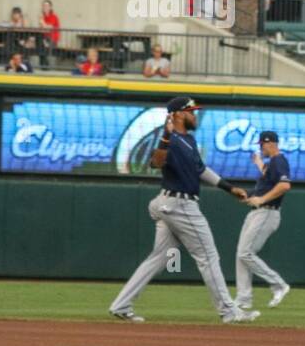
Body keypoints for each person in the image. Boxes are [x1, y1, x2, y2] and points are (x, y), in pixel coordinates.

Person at [109, 96, 259, 324]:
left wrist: (229, 188)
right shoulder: (171, 139)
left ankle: (121, 305)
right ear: (178, 114)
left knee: (159, 258)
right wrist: (167, 136)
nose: (194, 114)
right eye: (190, 111)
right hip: (179, 205)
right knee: (208, 256)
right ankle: (229, 311)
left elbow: (201, 169)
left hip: (169, 204)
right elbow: (156, 163)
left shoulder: (188, 139)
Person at [234, 130, 292, 311]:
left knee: (245, 253)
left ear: (270, 143)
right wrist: (250, 195)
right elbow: (268, 178)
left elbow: (284, 185)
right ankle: (243, 299)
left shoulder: (279, 160)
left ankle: (278, 284)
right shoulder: (272, 164)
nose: (261, 148)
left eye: (262, 144)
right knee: (241, 255)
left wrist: (261, 199)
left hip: (267, 212)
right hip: (257, 212)